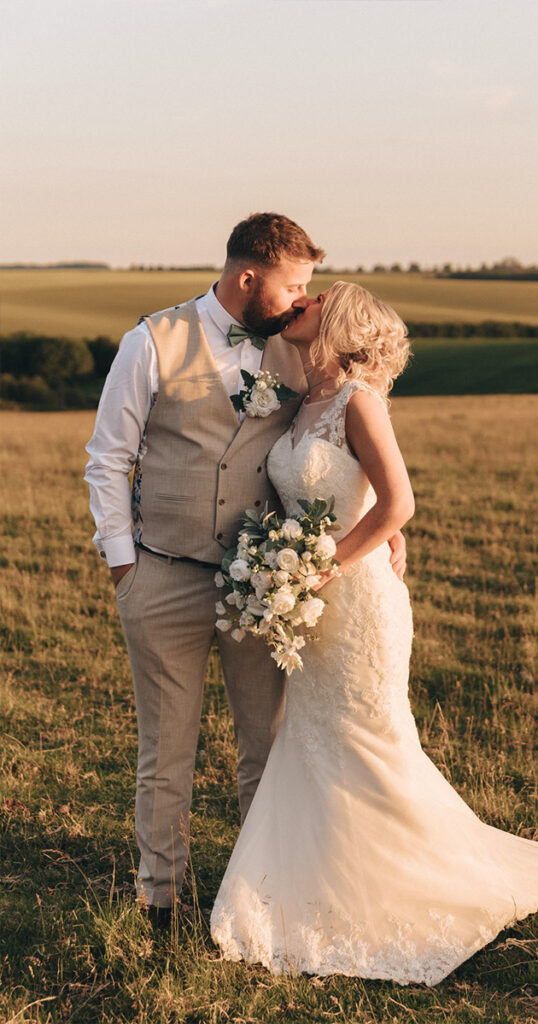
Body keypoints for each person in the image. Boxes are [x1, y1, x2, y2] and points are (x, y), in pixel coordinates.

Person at [210, 281, 538, 985]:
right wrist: (282, 567)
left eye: (318, 296)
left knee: (370, 737)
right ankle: (322, 878)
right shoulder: (302, 401)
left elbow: (399, 502)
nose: (304, 300)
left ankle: (411, 881)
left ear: (342, 322)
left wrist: (329, 567)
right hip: (310, 606)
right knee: (315, 737)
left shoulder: (360, 401)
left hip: (355, 604)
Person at [84, 215, 408, 924]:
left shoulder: (298, 352)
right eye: (294, 285)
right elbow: (108, 458)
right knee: (165, 751)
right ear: (247, 278)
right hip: (162, 576)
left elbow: (348, 438)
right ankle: (159, 900)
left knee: (266, 746)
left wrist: (379, 525)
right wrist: (123, 567)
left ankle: (258, 898)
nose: (301, 301)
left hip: (260, 586)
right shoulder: (150, 342)